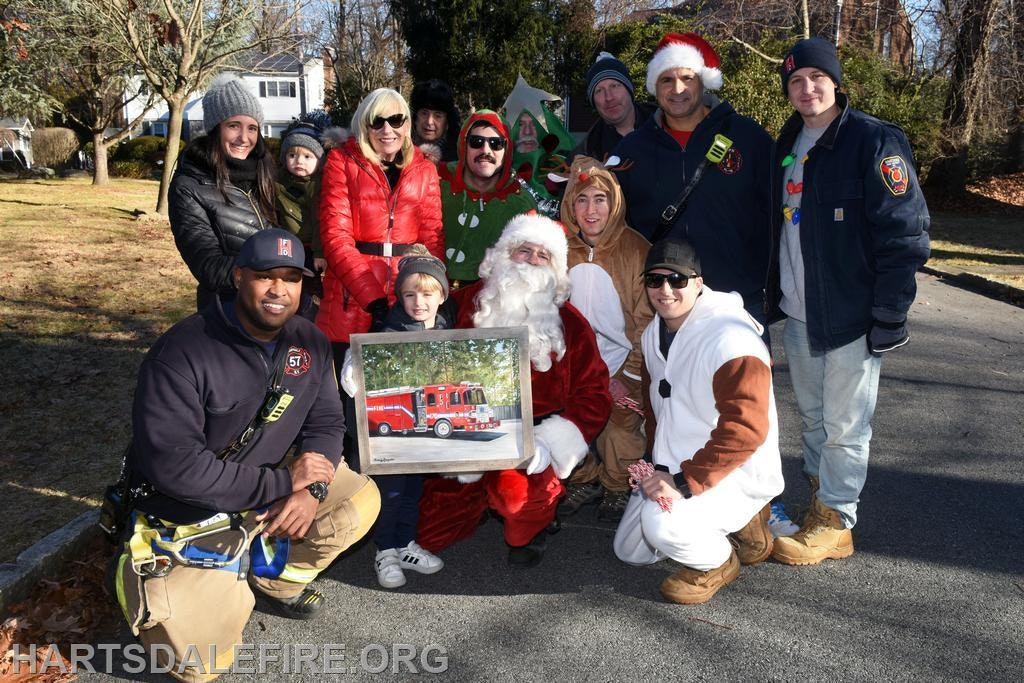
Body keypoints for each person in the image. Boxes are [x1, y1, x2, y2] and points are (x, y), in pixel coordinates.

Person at [112, 229, 381, 679]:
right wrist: (283, 483)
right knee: (198, 666)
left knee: (358, 499)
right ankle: (142, 573)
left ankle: (269, 575)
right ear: (238, 278)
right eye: (265, 276)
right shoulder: (181, 352)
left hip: (262, 490)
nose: (279, 290)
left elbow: (326, 424)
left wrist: (311, 489)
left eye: (291, 278)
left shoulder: (310, 342)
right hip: (186, 510)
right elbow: (175, 467)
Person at [768, 38, 930, 566]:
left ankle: (837, 519)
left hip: (851, 318)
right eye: (795, 81)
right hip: (798, 313)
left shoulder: (873, 141)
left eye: (817, 77)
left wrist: (889, 314)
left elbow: (904, 235)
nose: (807, 88)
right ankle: (820, 501)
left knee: (845, 426)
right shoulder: (788, 144)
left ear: (836, 81)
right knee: (813, 420)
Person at [417, 214, 612, 566]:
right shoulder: (463, 303)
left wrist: (550, 443)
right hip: (461, 435)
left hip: (530, 441)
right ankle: (476, 501)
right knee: (426, 532)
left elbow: (595, 394)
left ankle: (537, 514)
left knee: (518, 504)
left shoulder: (571, 325)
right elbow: (416, 340)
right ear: (504, 254)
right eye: (524, 250)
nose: (532, 261)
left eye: (543, 255)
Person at [614, 238, 783, 605]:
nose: (665, 290)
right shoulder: (652, 334)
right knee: (630, 550)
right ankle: (726, 527)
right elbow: (657, 407)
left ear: (699, 282)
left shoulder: (732, 337)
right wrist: (655, 463)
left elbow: (746, 430)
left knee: (662, 526)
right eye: (654, 280)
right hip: (677, 464)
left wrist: (683, 482)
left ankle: (720, 560)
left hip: (731, 471)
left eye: (677, 279)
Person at [317, 87, 444, 465]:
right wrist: (372, 297)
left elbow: (432, 237)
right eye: (378, 121)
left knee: (400, 409)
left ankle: (395, 509)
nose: (387, 129)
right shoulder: (342, 162)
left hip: (408, 301)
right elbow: (335, 236)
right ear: (364, 123)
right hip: (351, 301)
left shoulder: (424, 168)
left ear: (407, 124)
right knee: (347, 415)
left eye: (397, 120)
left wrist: (431, 296)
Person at [612, 33, 772, 325]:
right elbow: (615, 223)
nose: (677, 89)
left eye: (687, 78)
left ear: (703, 81)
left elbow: (776, 213)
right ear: (654, 87)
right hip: (665, 301)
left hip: (738, 300)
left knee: (745, 374)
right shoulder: (633, 149)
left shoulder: (748, 138)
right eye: (666, 80)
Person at [341, 247, 451, 589]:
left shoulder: (449, 332)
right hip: (391, 435)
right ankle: (384, 550)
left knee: (412, 491)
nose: (419, 302)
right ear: (400, 296)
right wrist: (355, 365)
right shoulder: (388, 331)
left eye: (428, 294)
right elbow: (358, 371)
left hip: (424, 433)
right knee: (390, 492)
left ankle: (404, 544)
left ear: (442, 296)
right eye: (410, 294)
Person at [557, 156, 653, 522]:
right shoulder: (561, 250)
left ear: (614, 203)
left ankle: (617, 484)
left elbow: (647, 319)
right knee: (569, 421)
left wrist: (628, 375)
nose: (591, 209)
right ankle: (585, 477)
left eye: (600, 199)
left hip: (621, 364)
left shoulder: (634, 249)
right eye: (582, 200)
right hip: (576, 365)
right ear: (571, 205)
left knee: (620, 426)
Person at [169, 73, 278, 311]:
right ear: (215, 129)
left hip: (275, 307)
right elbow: (206, 263)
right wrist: (270, 276)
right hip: (226, 310)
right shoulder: (190, 184)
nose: (244, 138)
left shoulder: (265, 174)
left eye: (252, 128)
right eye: (233, 126)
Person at [440, 110, 537, 286]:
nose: (486, 150)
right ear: (464, 146)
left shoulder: (521, 204)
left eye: (496, 144)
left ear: (507, 150)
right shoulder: (438, 184)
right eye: (476, 142)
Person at [275, 116, 328, 319]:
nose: (299, 162)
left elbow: (320, 221)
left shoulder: (318, 186)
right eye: (292, 155)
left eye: (308, 157)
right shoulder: (277, 183)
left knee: (311, 292)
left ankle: (309, 318)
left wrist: (319, 252)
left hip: (310, 249)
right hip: (286, 249)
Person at [503, 75, 576, 218]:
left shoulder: (565, 169)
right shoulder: (497, 174)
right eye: (521, 125)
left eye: (533, 124)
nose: (528, 132)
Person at [573, 52, 656, 162]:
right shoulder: (587, 152)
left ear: (629, 90)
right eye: (599, 91)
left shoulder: (667, 125)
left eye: (615, 86)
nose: (609, 97)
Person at [410, 79, 461, 164]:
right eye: (424, 113)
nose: (429, 122)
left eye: (438, 116)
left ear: (447, 121)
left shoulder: (459, 154)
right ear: (415, 117)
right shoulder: (401, 149)